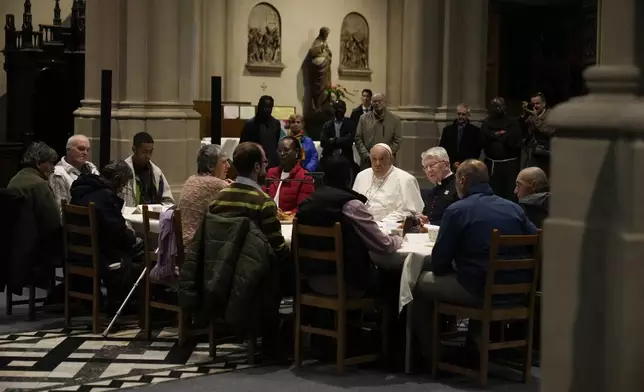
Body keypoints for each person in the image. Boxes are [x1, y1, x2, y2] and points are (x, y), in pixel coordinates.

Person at [412, 159, 537, 361]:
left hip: (479, 289)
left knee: (415, 284)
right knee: (477, 273)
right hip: (517, 288)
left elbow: (439, 263)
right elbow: (536, 242)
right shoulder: (514, 209)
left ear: (461, 180)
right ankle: (474, 346)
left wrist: (453, 265)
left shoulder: (457, 210)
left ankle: (431, 354)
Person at [297, 155, 402, 297]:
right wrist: (399, 237)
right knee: (394, 276)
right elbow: (384, 245)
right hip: (346, 282)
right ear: (349, 178)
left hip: (311, 279)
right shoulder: (351, 205)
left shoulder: (309, 201)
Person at [69, 160, 144, 309]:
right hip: (98, 257)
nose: (122, 188)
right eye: (123, 184)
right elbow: (117, 232)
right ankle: (126, 304)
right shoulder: (105, 196)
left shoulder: (83, 189)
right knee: (143, 253)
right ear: (116, 179)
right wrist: (135, 239)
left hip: (76, 252)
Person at [7, 142, 62, 292]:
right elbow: (53, 222)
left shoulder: (14, 179)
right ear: (39, 164)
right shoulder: (39, 184)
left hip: (14, 247)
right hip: (37, 250)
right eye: (50, 163)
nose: (53, 168)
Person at [353, 143, 424, 222]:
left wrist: (381, 223)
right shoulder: (361, 176)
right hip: (362, 224)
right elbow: (354, 204)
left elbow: (410, 211)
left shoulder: (406, 179)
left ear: (391, 159)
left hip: (390, 227)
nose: (377, 163)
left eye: (382, 159)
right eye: (374, 159)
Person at [178, 144, 232, 246]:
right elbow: (237, 196)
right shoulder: (216, 184)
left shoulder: (191, 179)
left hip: (184, 243)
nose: (228, 166)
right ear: (210, 166)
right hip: (198, 247)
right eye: (224, 162)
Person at [480, 97, 522, 200]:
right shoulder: (487, 122)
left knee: (509, 193)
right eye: (495, 106)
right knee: (492, 193)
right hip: (492, 165)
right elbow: (484, 136)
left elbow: (513, 137)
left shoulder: (512, 121)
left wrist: (494, 135)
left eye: (500, 106)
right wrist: (499, 134)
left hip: (509, 165)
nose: (498, 109)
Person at [121, 132, 174, 207]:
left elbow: (169, 202)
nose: (148, 156)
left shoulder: (157, 172)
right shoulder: (122, 171)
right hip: (128, 217)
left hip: (152, 216)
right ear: (134, 149)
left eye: (151, 152)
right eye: (144, 152)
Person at [266, 137, 315, 218]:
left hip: (289, 222)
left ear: (296, 152)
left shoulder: (305, 177)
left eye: (286, 150)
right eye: (279, 150)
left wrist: (284, 215)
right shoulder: (271, 172)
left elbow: (303, 208)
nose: (282, 153)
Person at [354, 93, 402, 169]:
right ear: (371, 102)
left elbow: (397, 140)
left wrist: (386, 154)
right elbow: (358, 138)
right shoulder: (363, 118)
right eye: (374, 101)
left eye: (380, 101)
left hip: (387, 160)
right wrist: (367, 155)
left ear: (385, 102)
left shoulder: (395, 119)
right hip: (368, 161)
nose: (377, 103)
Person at [50, 134, 99, 206]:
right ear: (68, 150)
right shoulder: (58, 173)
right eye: (81, 149)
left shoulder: (93, 170)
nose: (85, 153)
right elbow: (59, 206)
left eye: (87, 150)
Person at [320, 99, 359, 181]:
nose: (339, 112)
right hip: (330, 158)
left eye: (341, 110)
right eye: (337, 110)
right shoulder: (327, 124)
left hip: (345, 158)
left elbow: (349, 141)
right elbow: (323, 142)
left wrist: (333, 141)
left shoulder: (350, 123)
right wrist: (341, 141)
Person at [419, 147, 458, 225]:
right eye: (426, 167)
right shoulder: (434, 190)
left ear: (446, 165)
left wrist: (429, 224)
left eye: (432, 165)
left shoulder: (459, 186)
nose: (429, 170)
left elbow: (457, 219)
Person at [240, 95, 282, 168]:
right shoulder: (250, 124)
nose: (267, 110)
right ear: (259, 106)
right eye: (265, 107)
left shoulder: (276, 123)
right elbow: (243, 145)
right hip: (255, 163)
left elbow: (276, 143)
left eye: (269, 107)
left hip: (272, 162)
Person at [438, 103, 482, 170]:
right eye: (459, 114)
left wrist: (464, 164)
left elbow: (476, 151)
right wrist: (452, 163)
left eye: (463, 114)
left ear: (468, 115)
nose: (461, 116)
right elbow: (442, 149)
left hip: (468, 167)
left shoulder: (475, 131)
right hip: (450, 167)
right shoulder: (447, 130)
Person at [521, 92, 554, 175]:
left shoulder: (551, 115)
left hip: (546, 156)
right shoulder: (532, 115)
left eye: (537, 103)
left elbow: (547, 131)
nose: (535, 106)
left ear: (544, 104)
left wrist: (535, 117)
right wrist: (524, 113)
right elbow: (522, 129)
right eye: (533, 104)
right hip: (532, 155)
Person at [308, 27, 333, 111]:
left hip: (326, 71)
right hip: (320, 72)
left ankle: (324, 106)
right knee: (320, 88)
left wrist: (328, 52)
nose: (327, 36)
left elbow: (328, 52)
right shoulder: (317, 41)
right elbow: (313, 52)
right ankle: (318, 107)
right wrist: (321, 48)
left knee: (326, 87)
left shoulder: (325, 42)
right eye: (326, 34)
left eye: (327, 34)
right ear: (322, 33)